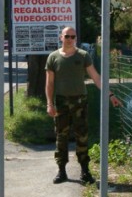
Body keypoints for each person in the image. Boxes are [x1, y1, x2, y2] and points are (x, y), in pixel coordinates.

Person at [45, 27, 121, 185]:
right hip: (61, 102)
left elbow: (96, 77)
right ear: (61, 37)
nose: (70, 39)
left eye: (73, 37)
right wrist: (50, 104)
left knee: (82, 136)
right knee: (61, 136)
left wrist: (110, 95)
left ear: (76, 38)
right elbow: (49, 83)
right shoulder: (53, 57)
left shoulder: (83, 56)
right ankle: (61, 171)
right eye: (67, 36)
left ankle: (85, 171)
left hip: (80, 102)